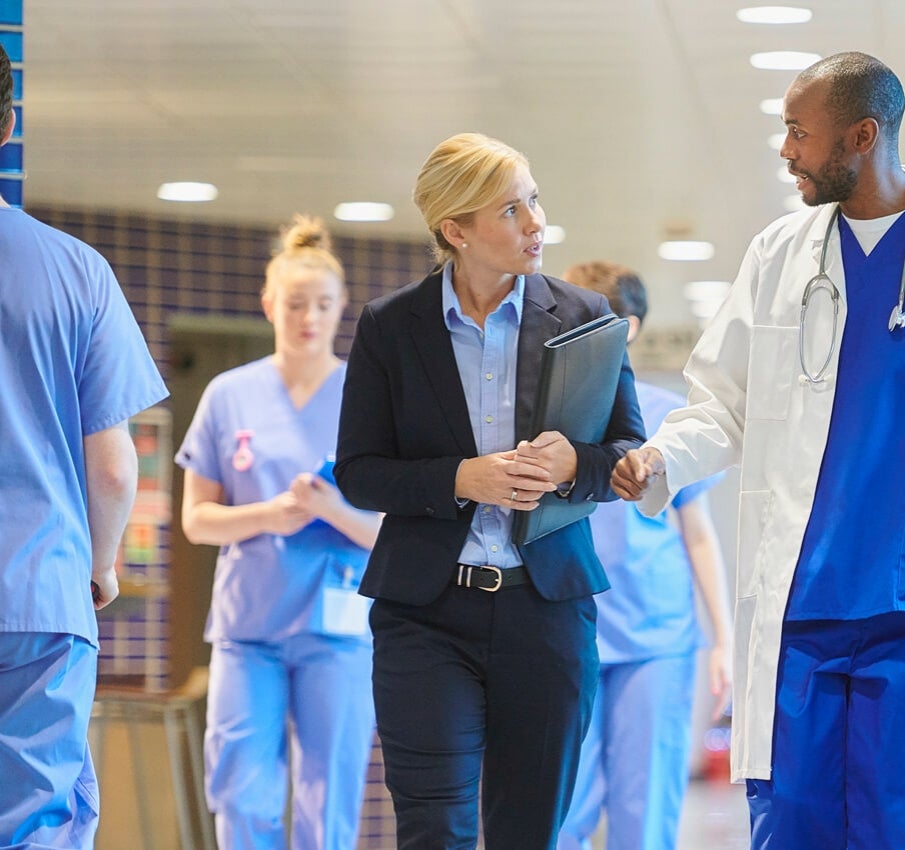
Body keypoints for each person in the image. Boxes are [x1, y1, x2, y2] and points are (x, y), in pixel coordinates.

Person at [612, 52, 905, 849]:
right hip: (802, 605)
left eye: (800, 132)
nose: (786, 150)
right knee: (790, 827)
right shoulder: (777, 254)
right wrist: (663, 459)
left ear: (863, 136)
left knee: (902, 831)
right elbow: (722, 405)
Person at [334, 133, 647, 848]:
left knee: (527, 832)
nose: (536, 223)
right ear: (456, 230)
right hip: (425, 614)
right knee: (434, 828)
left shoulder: (586, 315)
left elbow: (628, 451)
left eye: (534, 200)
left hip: (548, 611)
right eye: (511, 209)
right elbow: (358, 471)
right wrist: (459, 478)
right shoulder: (392, 326)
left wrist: (573, 464)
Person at [0, 43, 169, 849]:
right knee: (37, 822)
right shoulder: (76, 273)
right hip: (39, 594)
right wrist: (98, 566)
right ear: (7, 125)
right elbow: (111, 464)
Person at [174, 215, 381, 849]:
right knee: (241, 791)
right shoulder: (228, 395)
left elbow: (396, 533)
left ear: (342, 307)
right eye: (295, 304)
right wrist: (268, 515)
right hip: (249, 631)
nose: (309, 318)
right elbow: (196, 519)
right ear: (269, 305)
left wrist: (332, 512)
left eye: (323, 305)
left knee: (329, 798)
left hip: (339, 632)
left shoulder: (370, 398)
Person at [557, 261, 734, 850]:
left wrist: (725, 640)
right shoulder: (550, 416)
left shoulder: (667, 420)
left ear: (626, 327)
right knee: (561, 811)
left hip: (656, 638)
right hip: (567, 631)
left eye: (590, 316)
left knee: (645, 810)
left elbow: (698, 533)